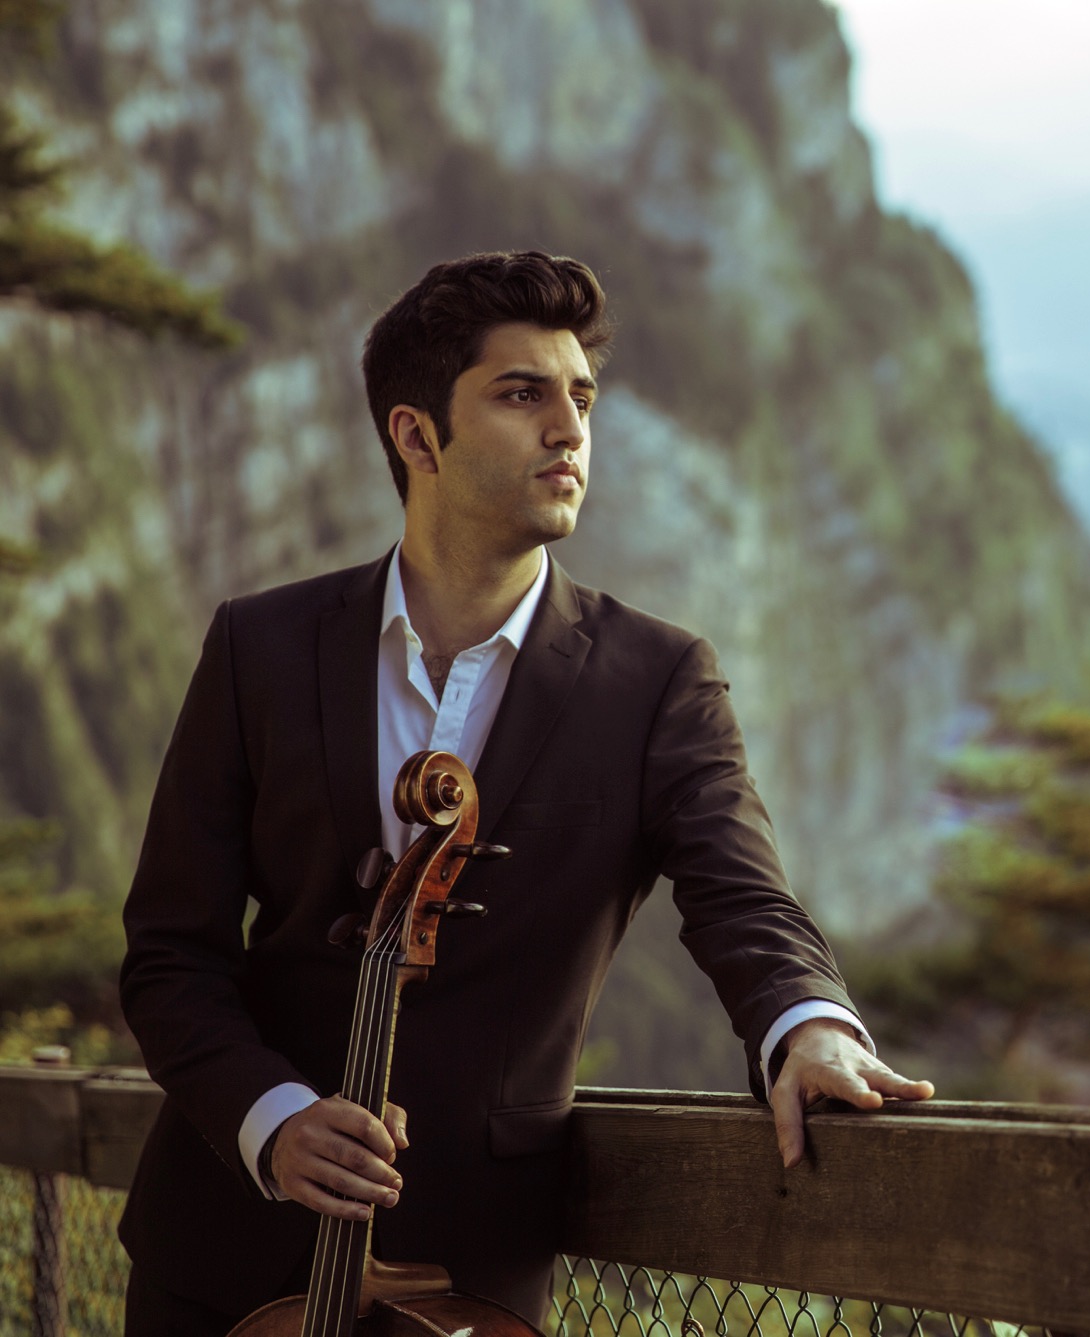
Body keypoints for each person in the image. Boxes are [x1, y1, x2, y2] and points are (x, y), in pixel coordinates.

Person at [118, 250, 934, 1336]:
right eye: (521, 394)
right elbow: (171, 952)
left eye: (581, 398)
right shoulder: (257, 646)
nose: (568, 430)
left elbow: (741, 894)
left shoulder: (656, 678)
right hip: (218, 1250)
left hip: (473, 1261)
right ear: (416, 436)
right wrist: (272, 1116)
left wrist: (808, 1026)